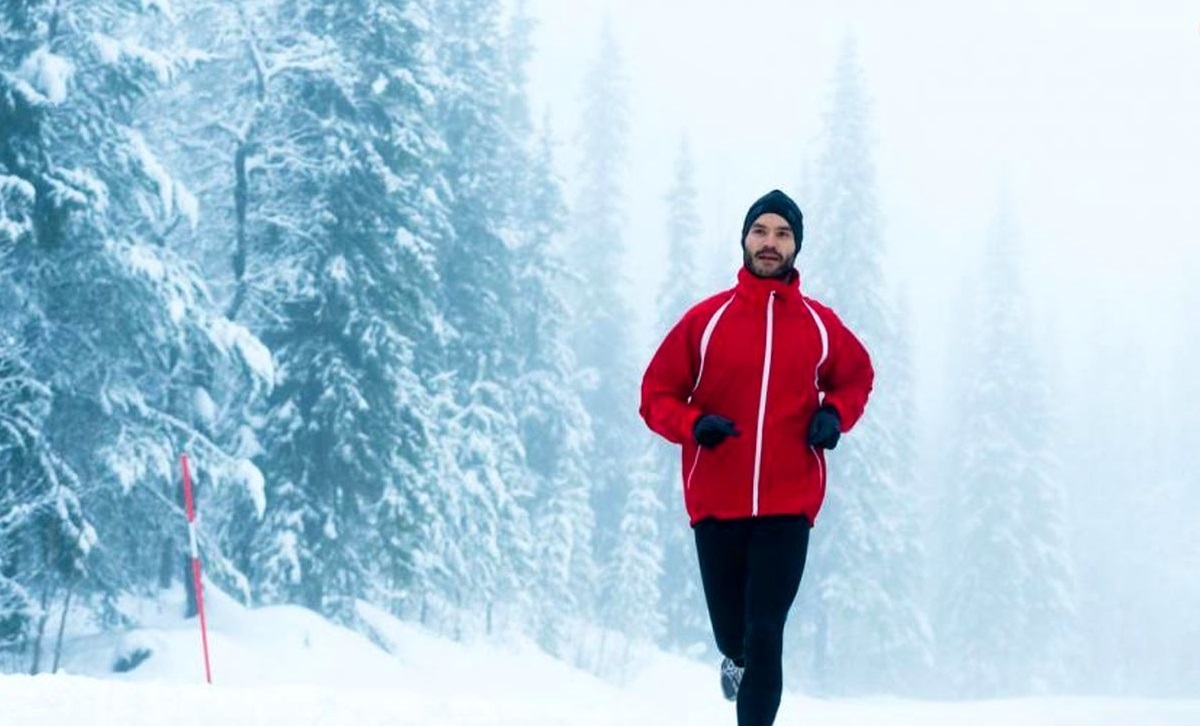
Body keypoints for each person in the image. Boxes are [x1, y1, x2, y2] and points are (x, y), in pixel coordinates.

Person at [639, 189, 874, 726]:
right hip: (716, 503)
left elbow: (857, 376)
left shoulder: (819, 324)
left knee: (766, 629)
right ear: (744, 240)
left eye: (783, 234)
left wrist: (834, 414)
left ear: (797, 247)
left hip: (789, 504)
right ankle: (734, 657)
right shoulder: (707, 320)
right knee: (735, 632)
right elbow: (655, 394)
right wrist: (695, 425)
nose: (771, 243)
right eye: (761, 232)